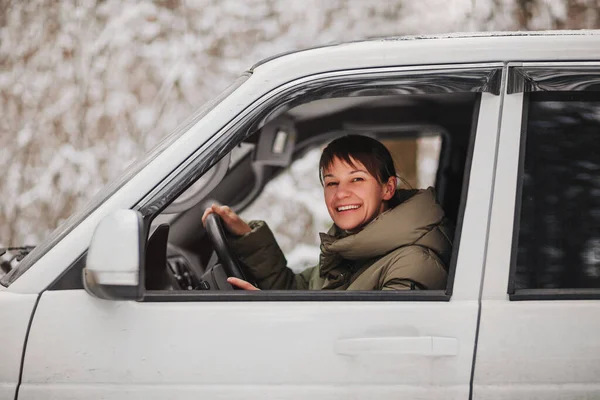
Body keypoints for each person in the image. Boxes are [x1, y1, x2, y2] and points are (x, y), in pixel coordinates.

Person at [202, 134, 453, 291]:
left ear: (387, 188)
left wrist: (273, 317)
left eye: (356, 179)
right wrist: (249, 238)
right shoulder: (350, 251)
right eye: (332, 182)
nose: (340, 193)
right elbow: (297, 292)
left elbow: (369, 352)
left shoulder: (412, 263)